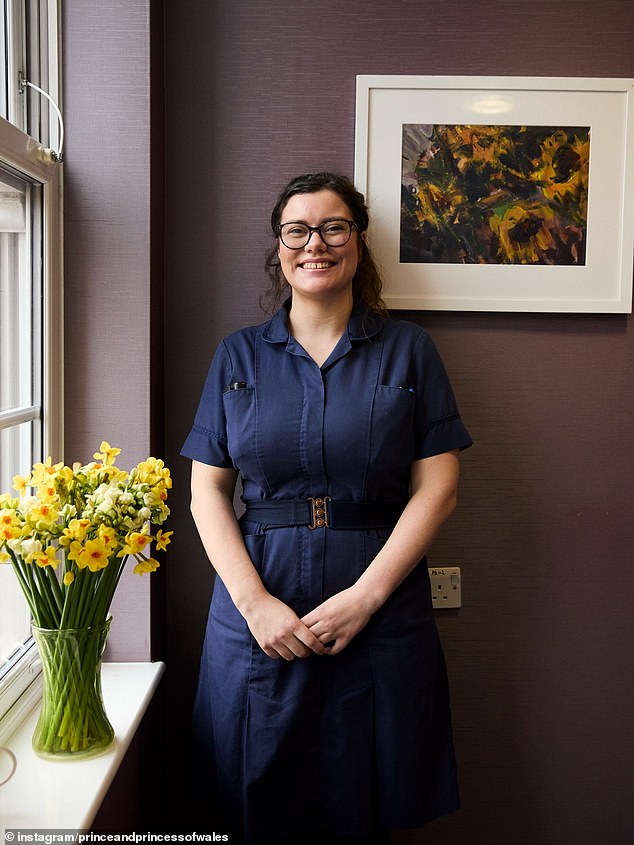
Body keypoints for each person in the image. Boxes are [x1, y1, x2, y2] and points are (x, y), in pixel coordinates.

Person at [181, 172, 472, 845]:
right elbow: (205, 492)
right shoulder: (237, 356)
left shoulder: (410, 351)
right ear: (279, 246)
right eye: (298, 229)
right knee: (253, 798)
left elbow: (440, 487)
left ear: (359, 242)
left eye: (334, 227)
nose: (316, 243)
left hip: (379, 606)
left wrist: (366, 598)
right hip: (257, 608)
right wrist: (253, 602)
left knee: (363, 797)